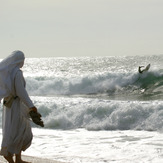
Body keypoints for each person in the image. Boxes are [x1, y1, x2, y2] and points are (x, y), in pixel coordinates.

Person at [0, 51, 43, 163]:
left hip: (8, 105)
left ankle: (18, 158)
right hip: (16, 106)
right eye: (23, 60)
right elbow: (21, 92)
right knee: (18, 130)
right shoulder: (17, 73)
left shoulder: (7, 73)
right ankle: (10, 157)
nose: (23, 62)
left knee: (13, 130)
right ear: (19, 60)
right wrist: (31, 106)